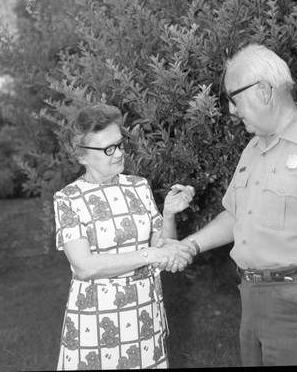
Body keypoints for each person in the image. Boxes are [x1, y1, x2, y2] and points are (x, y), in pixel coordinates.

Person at [180, 43, 297, 366]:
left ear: (264, 90)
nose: (232, 111)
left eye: (234, 99)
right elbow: (234, 214)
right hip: (252, 301)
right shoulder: (254, 148)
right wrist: (189, 245)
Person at [53, 103, 195, 370]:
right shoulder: (68, 199)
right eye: (109, 149)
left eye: (120, 144)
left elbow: (162, 247)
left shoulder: (138, 186)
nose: (119, 153)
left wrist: (169, 214)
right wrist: (150, 255)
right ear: (82, 156)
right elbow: (84, 267)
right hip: (95, 320)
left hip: (144, 314)